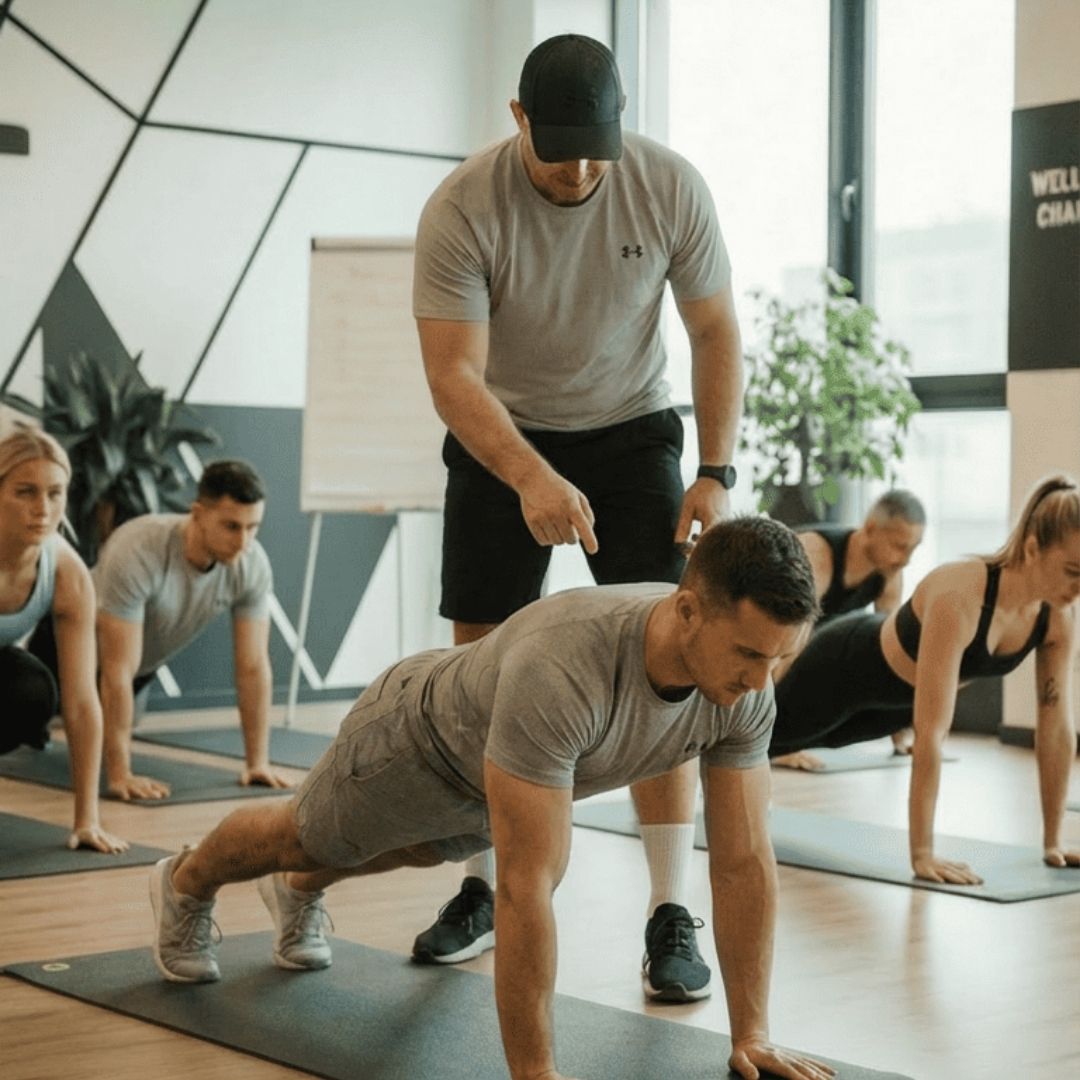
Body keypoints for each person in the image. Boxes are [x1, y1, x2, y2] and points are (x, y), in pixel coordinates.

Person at [149, 517, 832, 1080]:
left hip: (493, 774)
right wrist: (535, 1073)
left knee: (407, 852)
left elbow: (743, 861)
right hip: (414, 743)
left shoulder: (746, 693)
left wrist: (753, 1033)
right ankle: (183, 883)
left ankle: (297, 892)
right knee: (305, 835)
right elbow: (527, 887)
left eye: (777, 657)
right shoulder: (568, 663)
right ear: (688, 611)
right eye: (748, 653)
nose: (760, 677)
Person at [412, 32, 744, 995]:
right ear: (520, 121)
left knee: (668, 663)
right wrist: (526, 474)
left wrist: (715, 467)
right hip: (499, 430)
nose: (584, 170)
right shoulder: (464, 208)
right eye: (562, 153)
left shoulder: (670, 186)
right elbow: (453, 377)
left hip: (634, 426)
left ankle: (668, 910)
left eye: (600, 147)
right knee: (478, 664)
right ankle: (478, 887)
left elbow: (714, 326)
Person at [769, 475, 1080, 885]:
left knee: (791, 744)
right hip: (841, 668)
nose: (1079, 587)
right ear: (1033, 547)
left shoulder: (1056, 617)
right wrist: (922, 854)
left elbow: (1056, 727)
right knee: (755, 741)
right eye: (1073, 570)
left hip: (889, 706)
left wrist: (1052, 842)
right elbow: (932, 732)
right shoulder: (962, 593)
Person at [90, 460, 289, 799]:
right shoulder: (139, 547)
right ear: (197, 513)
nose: (243, 541)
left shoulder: (251, 564)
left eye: (252, 527)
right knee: (28, 711)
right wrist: (120, 774)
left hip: (136, 669)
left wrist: (258, 763)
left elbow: (253, 666)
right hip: (69, 653)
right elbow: (115, 669)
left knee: (116, 722)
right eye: (231, 526)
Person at [0, 427, 126, 853]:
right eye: (25, 492)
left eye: (55, 493)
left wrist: (87, 818)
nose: (43, 509)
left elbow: (81, 701)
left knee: (31, 689)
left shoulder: (66, 572)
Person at [773, 490, 925, 769]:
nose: (906, 559)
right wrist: (777, 744)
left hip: (802, 649)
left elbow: (892, 655)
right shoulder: (816, 554)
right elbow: (783, 641)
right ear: (870, 528)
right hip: (764, 642)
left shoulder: (889, 574)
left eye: (913, 549)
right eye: (900, 546)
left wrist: (900, 736)